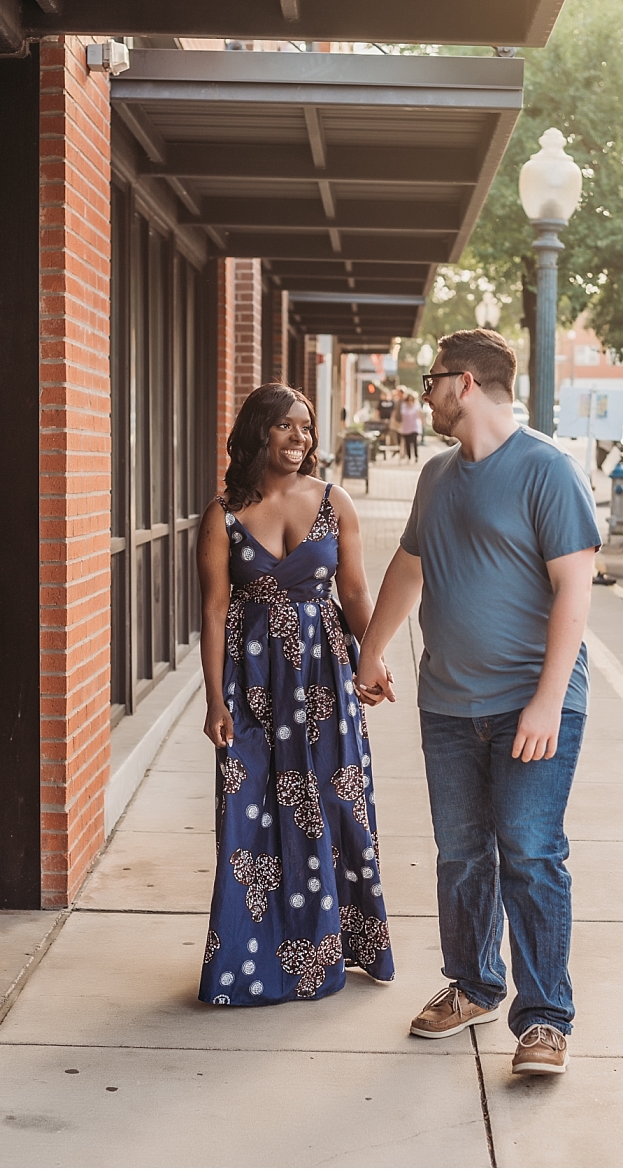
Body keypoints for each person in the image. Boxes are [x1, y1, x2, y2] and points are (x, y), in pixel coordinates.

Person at [357, 327, 600, 1077]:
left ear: (463, 382)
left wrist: (546, 701)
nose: (421, 393)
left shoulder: (546, 470)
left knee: (529, 852)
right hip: (449, 705)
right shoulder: (437, 476)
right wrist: (372, 647)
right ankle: (473, 983)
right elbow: (408, 565)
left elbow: (576, 590)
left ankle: (545, 1018)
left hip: (534, 702)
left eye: (430, 379)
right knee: (462, 854)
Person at [197, 384, 395, 1006]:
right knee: (250, 817)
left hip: (326, 679)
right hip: (253, 684)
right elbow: (213, 609)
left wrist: (374, 657)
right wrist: (213, 701)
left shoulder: (335, 503)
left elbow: (357, 595)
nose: (298, 439)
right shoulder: (223, 514)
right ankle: (249, 962)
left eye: (305, 429)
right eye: (285, 427)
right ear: (257, 432)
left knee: (339, 807)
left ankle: (341, 945)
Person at [396, 387, 425, 458]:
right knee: (407, 443)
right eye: (409, 400)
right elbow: (402, 414)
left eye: (412, 400)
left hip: (414, 426)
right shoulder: (404, 405)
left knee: (414, 442)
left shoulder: (417, 405)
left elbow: (420, 415)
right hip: (406, 427)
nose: (410, 401)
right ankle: (409, 457)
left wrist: (423, 422)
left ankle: (416, 456)